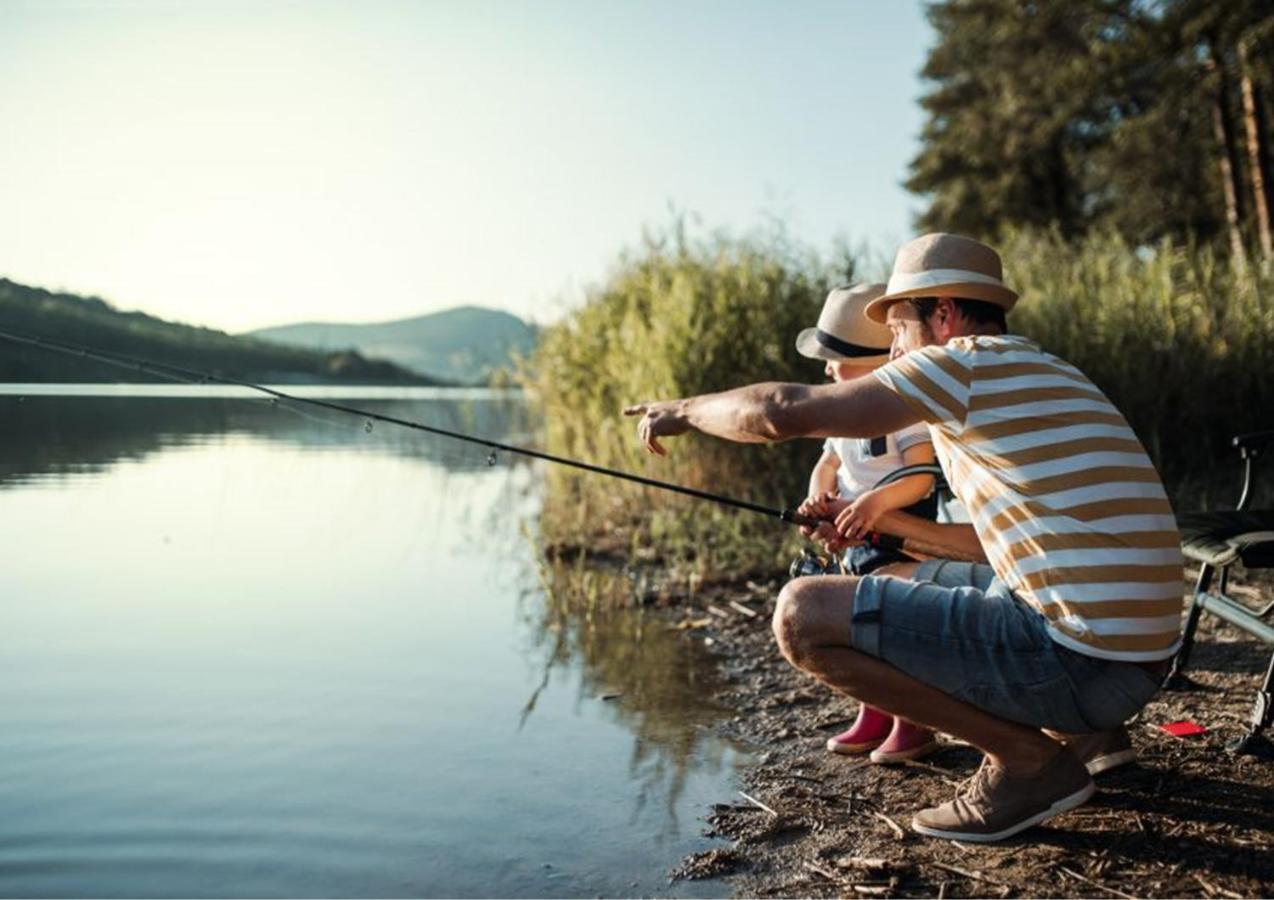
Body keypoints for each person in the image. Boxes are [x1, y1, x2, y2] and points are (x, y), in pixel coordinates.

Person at [624, 233, 1182, 842]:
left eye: (898, 327)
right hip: (1140, 660)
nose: (893, 349)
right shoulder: (1043, 371)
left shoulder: (958, 364)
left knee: (802, 614)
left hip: (1085, 665)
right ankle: (1090, 736)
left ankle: (1029, 765)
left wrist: (683, 409)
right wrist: (883, 524)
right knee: (906, 575)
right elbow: (993, 549)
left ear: (941, 314)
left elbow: (781, 411)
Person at [795, 282, 940, 763]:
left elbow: (920, 477)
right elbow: (828, 464)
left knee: (891, 626)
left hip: (899, 535)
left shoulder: (906, 412)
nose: (827, 367)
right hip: (852, 538)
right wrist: (821, 495)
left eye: (836, 357)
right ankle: (873, 709)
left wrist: (875, 505)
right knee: (856, 625)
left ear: (876, 362)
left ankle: (912, 720)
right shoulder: (843, 414)